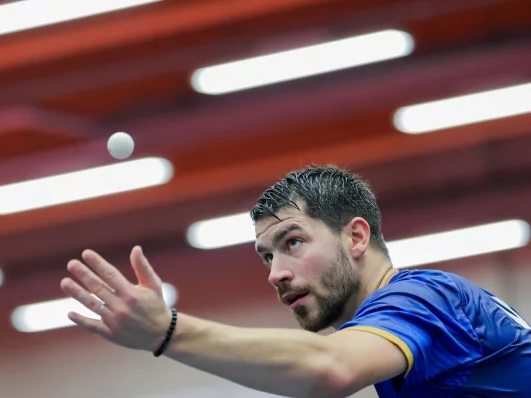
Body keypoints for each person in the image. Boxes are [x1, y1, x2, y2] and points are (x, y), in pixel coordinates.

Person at [60, 164, 531, 397]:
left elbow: (329, 369)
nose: (275, 273)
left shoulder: (424, 299)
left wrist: (169, 332)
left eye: (293, 243)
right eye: (266, 256)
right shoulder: (407, 339)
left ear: (356, 237)